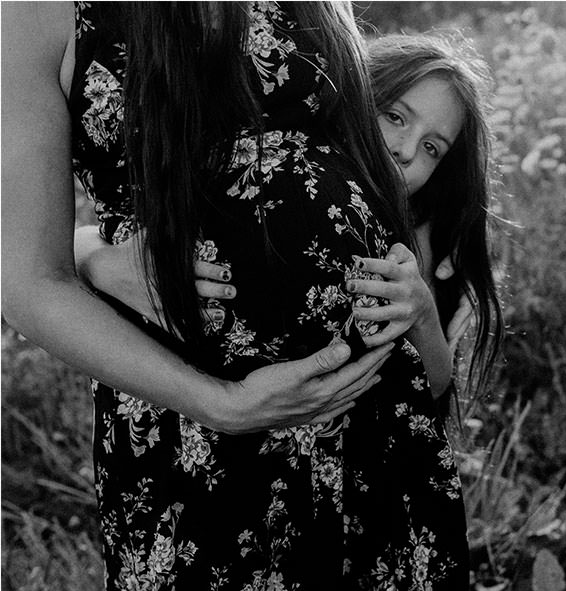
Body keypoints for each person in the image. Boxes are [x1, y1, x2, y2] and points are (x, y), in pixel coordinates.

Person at [2, 3, 473, 591]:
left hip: (369, 419)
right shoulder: (32, 12)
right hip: (192, 423)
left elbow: (348, 165)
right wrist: (222, 403)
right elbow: (25, 280)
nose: (412, 148)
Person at [75, 33, 505, 419]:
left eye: (432, 147)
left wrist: (425, 314)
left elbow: (430, 391)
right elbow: (78, 249)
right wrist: (96, 261)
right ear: (354, 96)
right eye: (394, 116)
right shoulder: (258, 164)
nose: (407, 150)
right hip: (188, 435)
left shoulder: (412, 246)